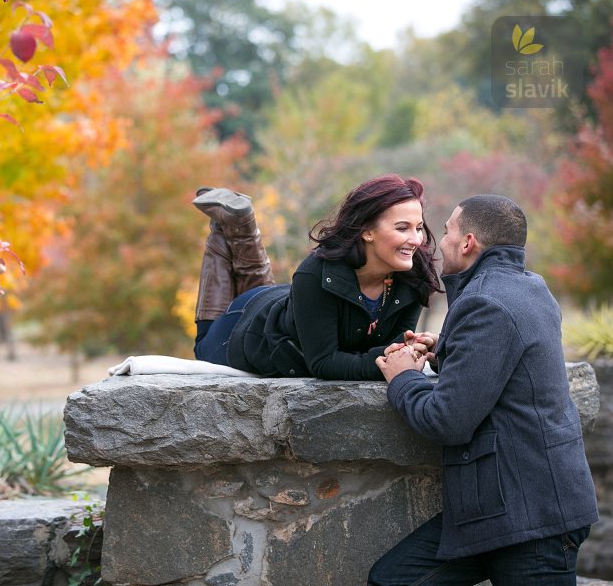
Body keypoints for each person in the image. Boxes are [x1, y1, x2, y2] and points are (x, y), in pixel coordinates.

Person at [369, 195, 598, 585]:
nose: (436, 243)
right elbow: (512, 363)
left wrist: (404, 376)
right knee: (393, 578)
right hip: (497, 508)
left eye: (445, 233)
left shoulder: (485, 300)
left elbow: (447, 421)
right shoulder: (531, 287)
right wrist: (445, 350)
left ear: (468, 242)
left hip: (533, 519)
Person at [192, 174, 442, 380]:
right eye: (402, 228)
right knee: (203, 344)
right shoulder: (315, 275)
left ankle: (241, 224)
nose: (416, 240)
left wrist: (416, 347)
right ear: (366, 231)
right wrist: (390, 362)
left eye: (418, 227)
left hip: (289, 304)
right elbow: (323, 363)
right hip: (246, 325)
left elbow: (392, 349)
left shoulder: (414, 275)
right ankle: (227, 225)